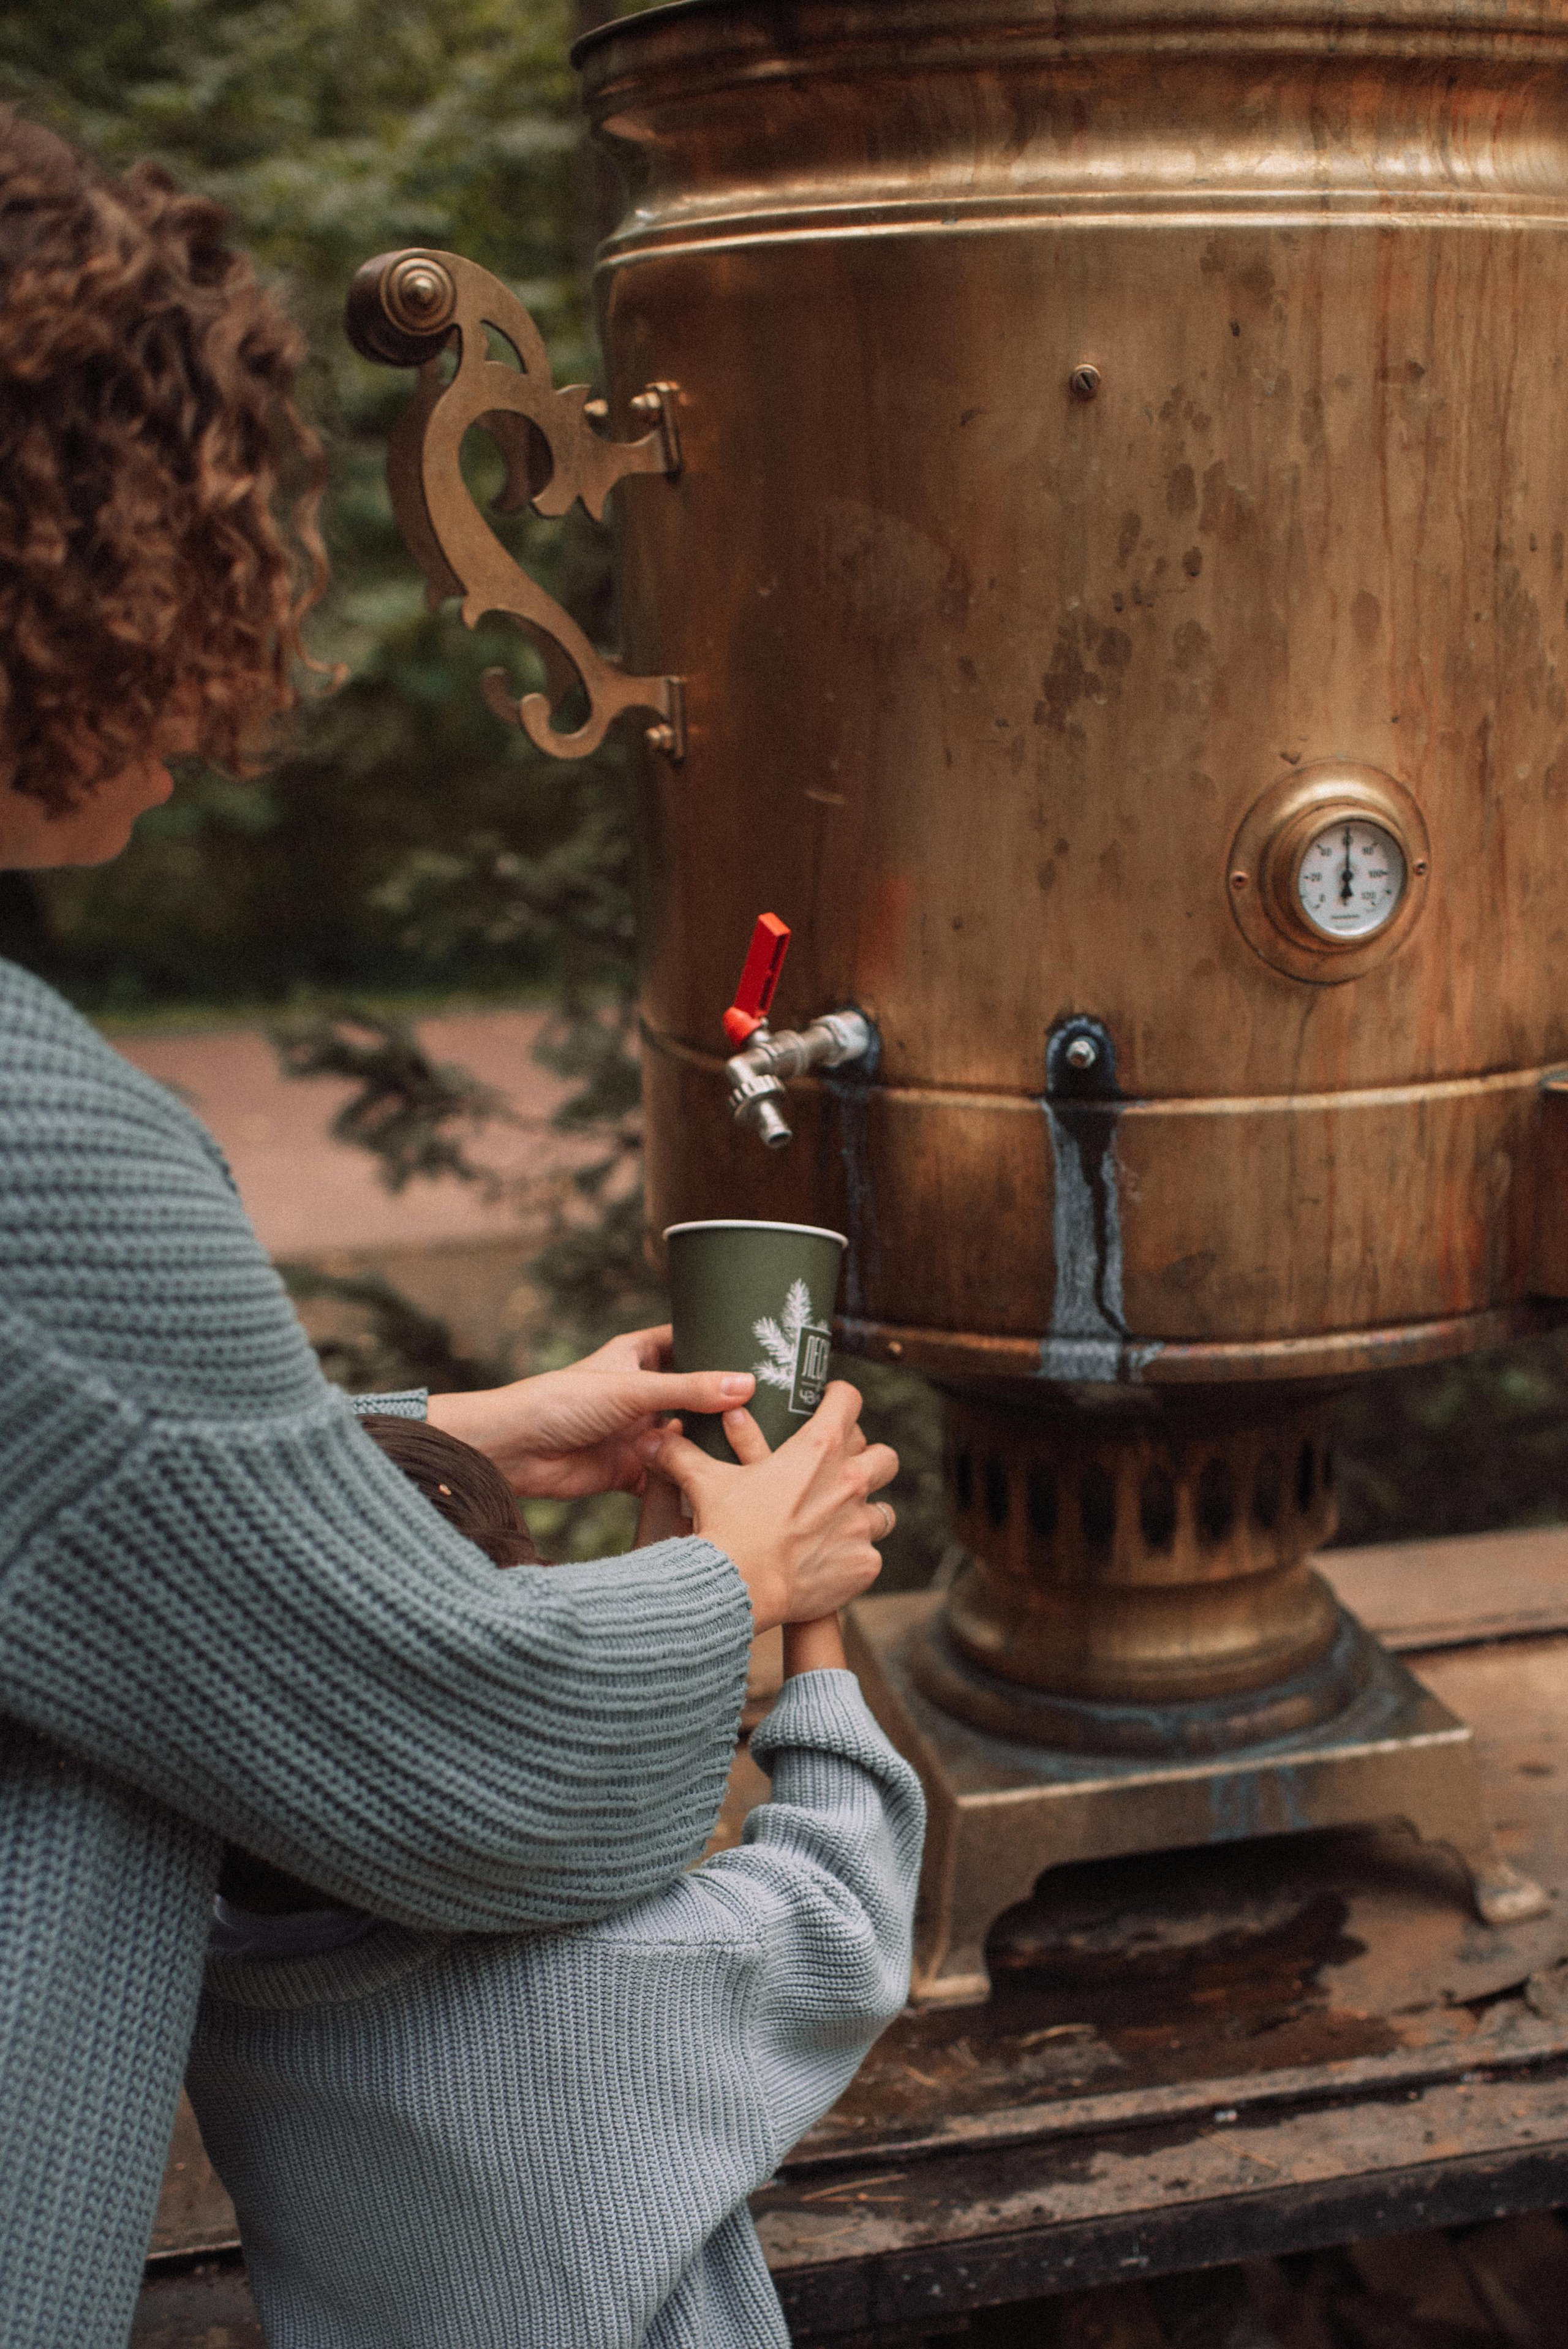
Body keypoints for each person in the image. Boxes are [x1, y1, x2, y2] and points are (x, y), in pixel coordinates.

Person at [0, 114, 899, 2349]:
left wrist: (455, 1425)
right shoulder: (44, 1142)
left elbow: (67, 1479)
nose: (218, 699)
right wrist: (750, 1589)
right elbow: (474, 1773)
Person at [189, 1414, 923, 2347]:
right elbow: (849, 1901)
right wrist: (814, 1604)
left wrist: (672, 1593)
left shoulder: (212, 1976)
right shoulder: (628, 1973)